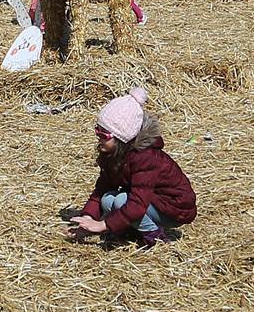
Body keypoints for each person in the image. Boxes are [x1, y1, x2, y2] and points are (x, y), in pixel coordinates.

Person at [63, 88, 197, 248]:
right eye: (97, 130)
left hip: (173, 208)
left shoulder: (145, 158)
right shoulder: (113, 155)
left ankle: (156, 237)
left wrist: (102, 225)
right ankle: (131, 231)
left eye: (104, 135)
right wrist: (87, 220)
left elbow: (137, 204)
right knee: (107, 199)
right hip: (150, 200)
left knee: (121, 201)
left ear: (121, 137)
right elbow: (101, 189)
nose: (98, 137)